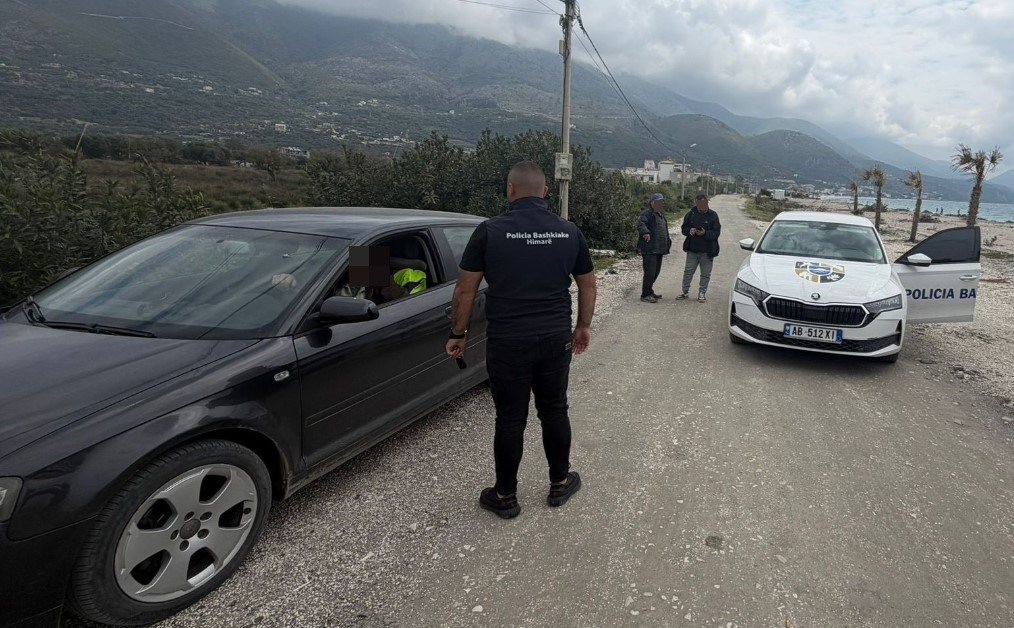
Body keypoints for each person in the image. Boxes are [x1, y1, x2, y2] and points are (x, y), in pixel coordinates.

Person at [446, 160, 597, 520]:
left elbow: (465, 289)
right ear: (545, 192)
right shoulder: (568, 231)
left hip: (508, 340)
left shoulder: (490, 231)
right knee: (554, 410)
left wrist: (458, 334)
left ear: (510, 190)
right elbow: (588, 283)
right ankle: (560, 483)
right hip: (554, 338)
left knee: (510, 418)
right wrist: (583, 326)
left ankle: (505, 496)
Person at [677, 193, 721, 302]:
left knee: (705, 274)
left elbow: (716, 233)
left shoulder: (713, 215)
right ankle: (684, 292)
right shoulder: (691, 214)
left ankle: (702, 293)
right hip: (692, 250)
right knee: (688, 271)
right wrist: (689, 231)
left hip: (707, 251)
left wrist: (705, 233)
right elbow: (683, 229)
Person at [636, 192, 672, 303]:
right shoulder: (647, 214)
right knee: (650, 272)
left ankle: (650, 291)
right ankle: (645, 295)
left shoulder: (661, 214)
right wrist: (645, 232)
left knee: (656, 272)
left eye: (661, 202)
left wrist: (668, 241)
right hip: (650, 249)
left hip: (659, 249)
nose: (660, 204)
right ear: (652, 203)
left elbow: (664, 230)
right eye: (657, 202)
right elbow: (640, 224)